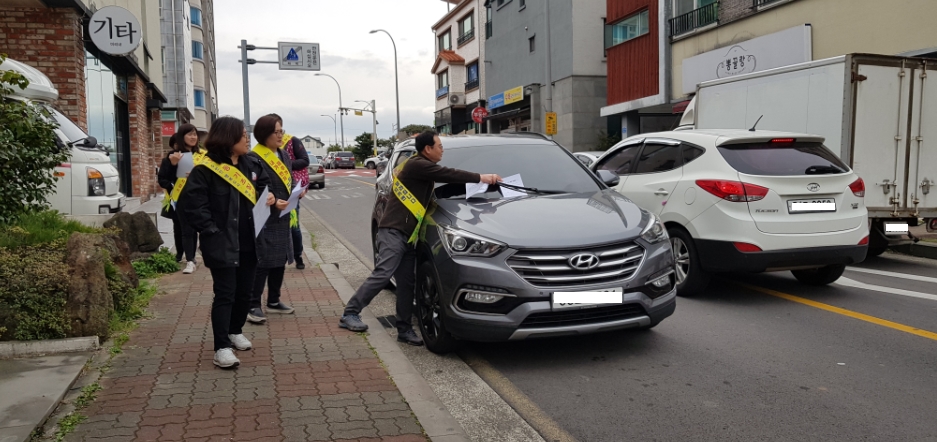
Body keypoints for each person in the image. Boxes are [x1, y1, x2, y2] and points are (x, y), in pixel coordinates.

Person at [339, 131, 501, 346]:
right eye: (439, 146)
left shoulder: (422, 168)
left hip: (407, 235)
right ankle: (350, 313)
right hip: (393, 231)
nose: (442, 149)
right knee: (384, 272)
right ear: (428, 149)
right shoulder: (417, 164)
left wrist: (484, 186)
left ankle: (404, 329)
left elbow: (449, 184)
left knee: (407, 283)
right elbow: (449, 174)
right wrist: (482, 177)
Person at [177, 116, 276, 369]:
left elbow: (265, 189)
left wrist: (272, 199)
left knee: (246, 293)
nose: (247, 138)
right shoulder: (205, 169)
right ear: (228, 138)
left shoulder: (252, 165)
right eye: (243, 134)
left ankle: (235, 330)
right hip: (222, 242)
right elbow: (192, 206)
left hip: (250, 242)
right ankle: (221, 346)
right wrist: (211, 231)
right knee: (225, 294)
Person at [246, 115, 295, 325]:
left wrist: (295, 193)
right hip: (264, 217)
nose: (281, 135)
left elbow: (288, 181)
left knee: (280, 259)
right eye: (277, 132)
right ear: (264, 133)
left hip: (283, 216)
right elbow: (251, 188)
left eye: (282, 131)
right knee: (263, 261)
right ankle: (253, 304)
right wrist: (272, 201)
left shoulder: (284, 154)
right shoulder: (253, 157)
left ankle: (274, 300)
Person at [266, 113, 310, 270]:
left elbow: (305, 160)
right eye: (274, 130)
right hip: (271, 194)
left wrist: (285, 164)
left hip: (290, 190)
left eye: (280, 129)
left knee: (293, 225)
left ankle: (298, 255)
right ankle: (279, 256)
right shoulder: (262, 151)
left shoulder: (291, 142)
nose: (279, 134)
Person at [158, 124, 202, 274]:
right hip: (181, 199)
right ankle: (190, 259)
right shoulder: (173, 157)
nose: (193, 137)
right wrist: (173, 166)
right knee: (186, 230)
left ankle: (200, 252)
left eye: (195, 134)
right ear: (182, 138)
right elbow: (163, 179)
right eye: (189, 134)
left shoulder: (203, 156)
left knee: (200, 228)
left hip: (201, 198)